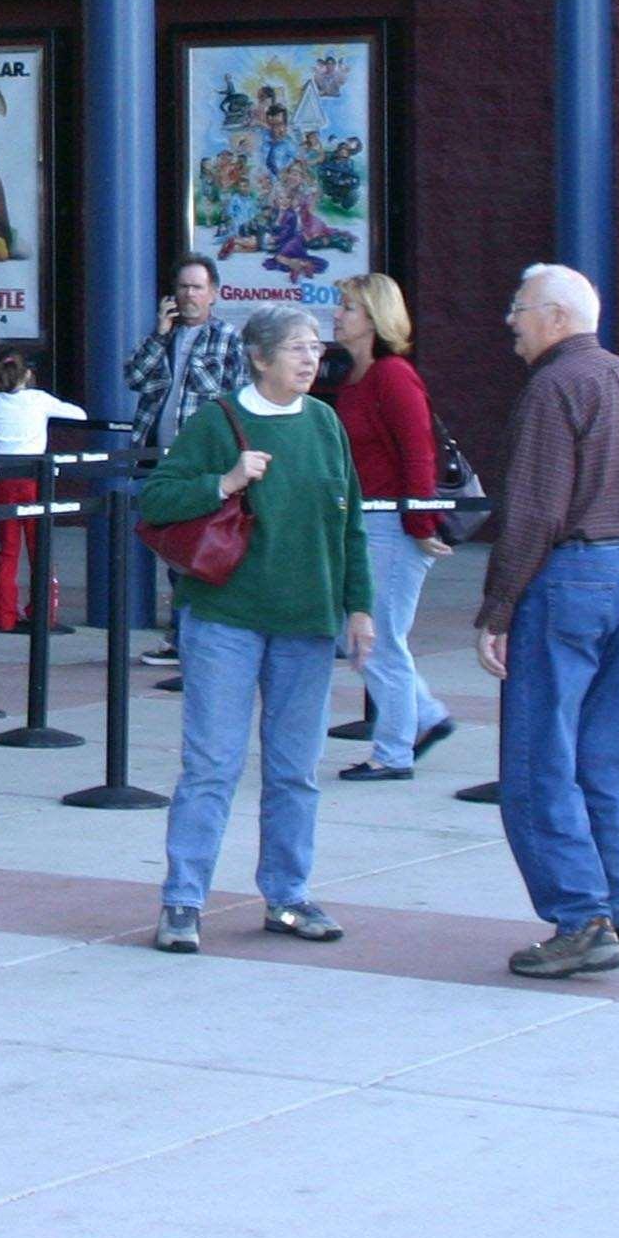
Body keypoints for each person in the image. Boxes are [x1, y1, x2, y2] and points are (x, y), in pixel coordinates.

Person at [142, 303, 369, 952]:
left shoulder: (325, 424)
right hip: (226, 621)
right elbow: (158, 499)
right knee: (212, 765)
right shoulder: (220, 423)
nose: (310, 359)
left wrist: (360, 605)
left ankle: (289, 896)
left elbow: (348, 523)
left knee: (295, 770)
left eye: (315, 348)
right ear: (261, 358)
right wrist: (223, 481)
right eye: (296, 348)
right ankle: (183, 901)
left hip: (307, 623)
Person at [479, 264, 619, 980]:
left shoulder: (554, 388)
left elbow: (533, 511)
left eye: (520, 309)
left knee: (538, 760)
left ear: (556, 316)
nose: (511, 321)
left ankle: (580, 917)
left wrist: (498, 609)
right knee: (605, 760)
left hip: (573, 576)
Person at [330, 274, 452, 782]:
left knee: (375, 638)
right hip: (365, 522)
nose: (337, 315)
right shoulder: (353, 377)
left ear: (375, 319)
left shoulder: (392, 376)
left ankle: (394, 752)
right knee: (358, 632)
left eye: (349, 309)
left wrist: (421, 523)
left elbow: (417, 451)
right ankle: (424, 717)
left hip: (393, 526)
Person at [123, 256, 247, 665]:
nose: (189, 295)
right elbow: (135, 379)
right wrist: (159, 335)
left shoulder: (228, 339)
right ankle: (184, 636)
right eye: (182, 287)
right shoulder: (165, 338)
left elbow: (241, 396)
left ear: (214, 293)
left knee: (199, 546)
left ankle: (192, 637)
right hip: (160, 458)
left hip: (204, 463)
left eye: (197, 287)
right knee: (173, 547)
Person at [0, 346, 85, 634]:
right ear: (28, 374)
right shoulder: (39, 400)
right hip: (35, 479)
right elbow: (79, 415)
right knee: (40, 550)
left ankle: (4, 616)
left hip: (4, 481)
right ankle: (42, 613)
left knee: (7, 551)